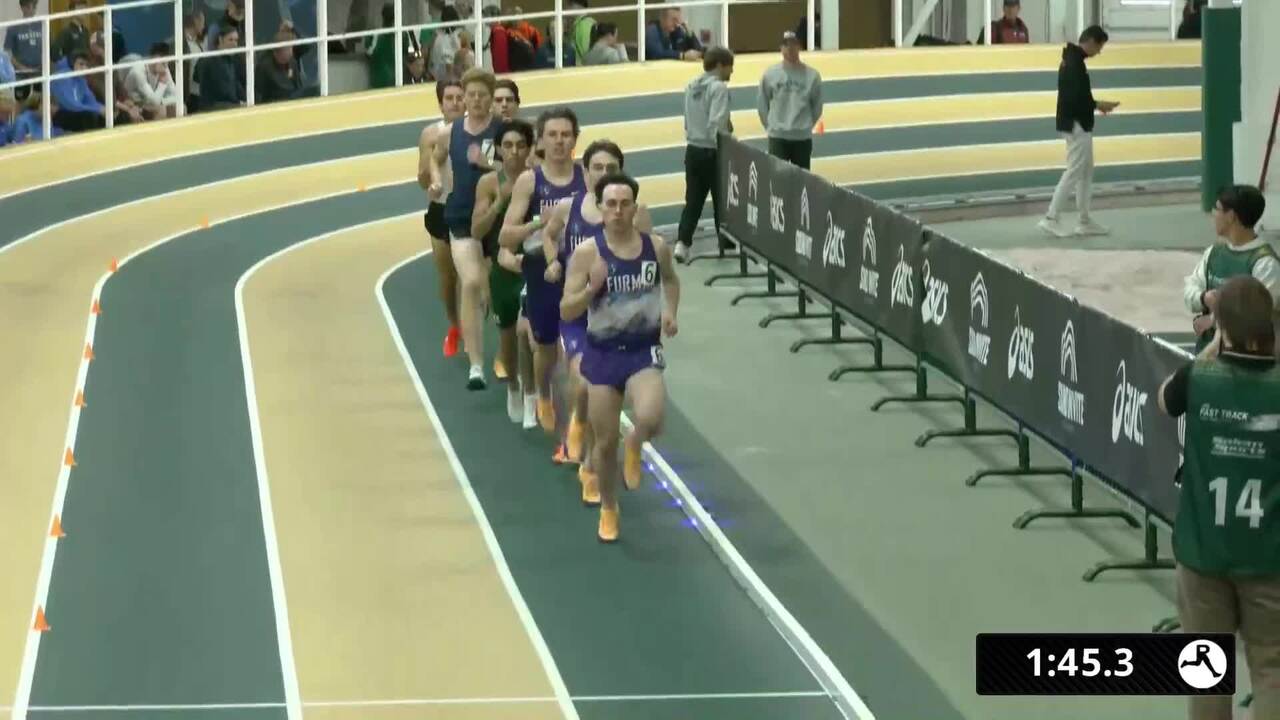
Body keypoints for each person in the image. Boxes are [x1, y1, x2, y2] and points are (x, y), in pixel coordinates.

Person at [1157, 274, 1280, 720]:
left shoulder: (1198, 378)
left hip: (1202, 553)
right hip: (1268, 557)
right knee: (1272, 670)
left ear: (1222, 327)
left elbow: (1163, 399)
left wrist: (1213, 344)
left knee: (1207, 672)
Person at [561, 173, 680, 542]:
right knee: (604, 442)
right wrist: (591, 289)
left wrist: (670, 311)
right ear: (600, 208)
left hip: (643, 349)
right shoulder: (587, 254)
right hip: (603, 352)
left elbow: (671, 280)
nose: (617, 210)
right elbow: (566, 309)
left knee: (651, 417)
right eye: (610, 204)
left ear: (634, 208)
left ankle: (636, 441)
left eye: (624, 203)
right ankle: (609, 508)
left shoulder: (655, 247)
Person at [541, 140, 655, 504]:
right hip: (580, 313)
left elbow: (650, 257)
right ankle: (577, 419)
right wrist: (552, 260)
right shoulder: (568, 207)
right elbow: (548, 234)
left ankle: (590, 467)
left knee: (604, 401)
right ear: (585, 171)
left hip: (616, 317)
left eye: (612, 169)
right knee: (582, 381)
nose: (604, 174)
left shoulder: (635, 214)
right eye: (598, 168)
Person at [499, 107, 586, 431]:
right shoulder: (530, 181)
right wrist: (539, 222)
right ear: (541, 141)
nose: (559, 141)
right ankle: (541, 394)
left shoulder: (586, 177)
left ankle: (578, 415)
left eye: (565, 135)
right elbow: (505, 236)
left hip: (579, 266)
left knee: (581, 348)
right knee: (545, 348)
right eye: (552, 135)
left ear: (575, 139)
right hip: (541, 270)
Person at [430, 67, 501, 389]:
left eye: (482, 95)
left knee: (493, 290)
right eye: (470, 95)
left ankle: (508, 351)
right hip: (460, 215)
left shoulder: (503, 131)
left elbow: (521, 168)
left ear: (491, 98)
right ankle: (476, 366)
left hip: (496, 217)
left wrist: (491, 164)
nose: (475, 100)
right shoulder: (451, 132)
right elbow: (436, 157)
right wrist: (435, 180)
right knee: (470, 282)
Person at [473, 118, 536, 422]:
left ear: (529, 148)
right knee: (508, 341)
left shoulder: (537, 180)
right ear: (498, 149)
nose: (514, 151)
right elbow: (476, 231)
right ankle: (513, 386)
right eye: (508, 145)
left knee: (530, 334)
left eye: (520, 145)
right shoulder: (488, 183)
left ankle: (532, 394)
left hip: (530, 266)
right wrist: (498, 203)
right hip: (501, 271)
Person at [1037, 25, 1119, 238]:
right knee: (1074, 171)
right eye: (1099, 47)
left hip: (1075, 123)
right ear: (1091, 41)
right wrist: (1098, 104)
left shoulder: (1072, 60)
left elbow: (1077, 96)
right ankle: (1051, 217)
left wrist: (1096, 105)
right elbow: (1076, 98)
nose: (1099, 52)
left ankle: (1084, 220)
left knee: (1085, 171)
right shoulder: (1075, 64)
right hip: (1077, 124)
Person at [1183, 185, 1279, 352]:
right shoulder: (1213, 253)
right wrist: (1203, 297)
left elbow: (1258, 317)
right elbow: (1189, 290)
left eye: (1217, 209)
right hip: (1207, 355)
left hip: (1243, 360)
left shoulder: (1266, 264)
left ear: (1231, 216)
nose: (1213, 214)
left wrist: (1213, 321)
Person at [418, 79, 465, 359]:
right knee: (448, 278)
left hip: (469, 209)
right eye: (450, 98)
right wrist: (430, 173)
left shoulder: (478, 131)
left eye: (460, 97)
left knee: (471, 276)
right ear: (440, 104)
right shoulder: (430, 134)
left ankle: (471, 324)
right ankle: (454, 325)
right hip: (441, 210)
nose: (455, 103)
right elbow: (422, 180)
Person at [676, 46, 734, 263]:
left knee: (693, 199)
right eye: (729, 67)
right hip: (712, 150)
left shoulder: (691, 86)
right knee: (722, 199)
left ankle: (682, 244)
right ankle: (726, 243)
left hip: (692, 149)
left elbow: (687, 119)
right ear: (719, 65)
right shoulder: (718, 88)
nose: (731, 71)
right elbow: (716, 123)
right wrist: (724, 144)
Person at [757, 30, 822, 170]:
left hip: (802, 138)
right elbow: (762, 104)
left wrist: (805, 126)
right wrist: (771, 127)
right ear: (781, 48)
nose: (790, 48)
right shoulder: (770, 74)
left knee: (802, 179)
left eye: (793, 44)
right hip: (778, 137)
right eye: (786, 45)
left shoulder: (812, 76)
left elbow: (817, 107)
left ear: (799, 47)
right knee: (778, 178)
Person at [125, 42, 181, 118]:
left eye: (166, 62)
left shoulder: (164, 67)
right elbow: (154, 102)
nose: (165, 66)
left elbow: (177, 94)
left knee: (180, 107)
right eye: (163, 62)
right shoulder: (138, 72)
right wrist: (162, 83)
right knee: (161, 109)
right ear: (153, 58)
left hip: (150, 100)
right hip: (134, 102)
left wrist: (162, 101)